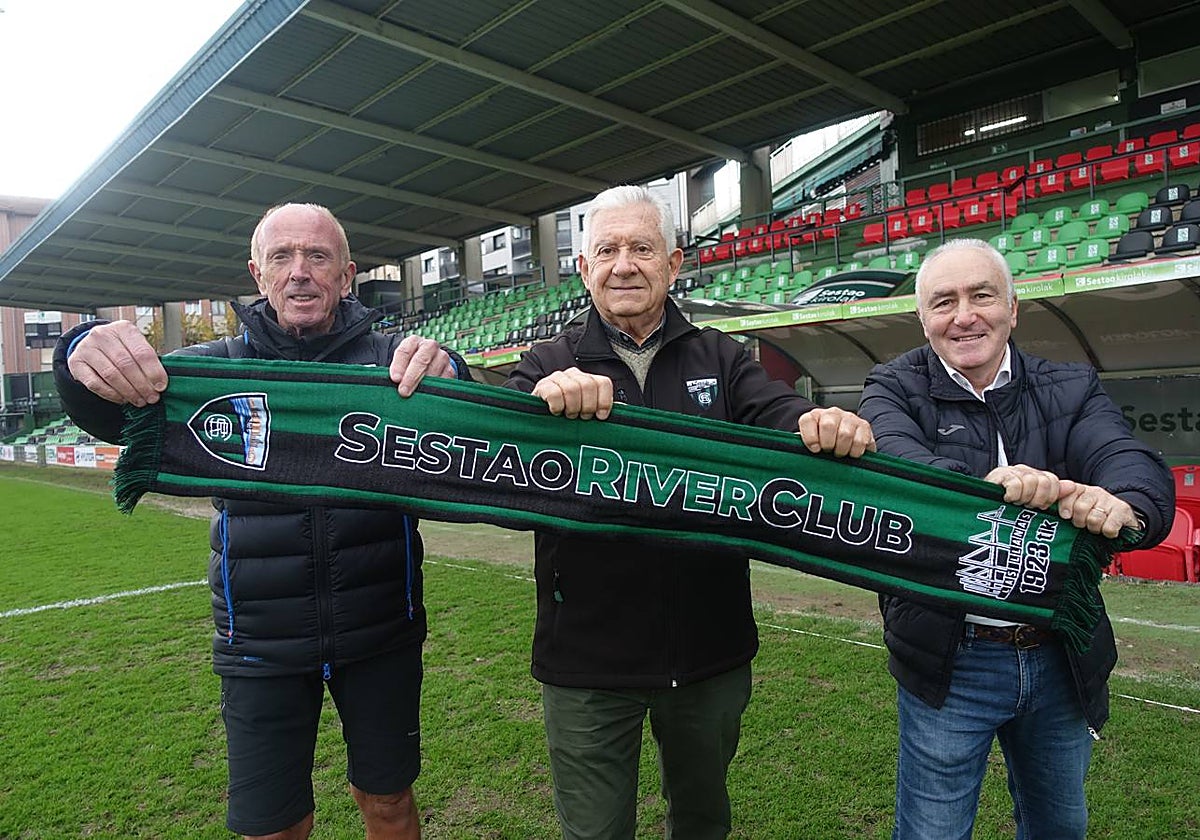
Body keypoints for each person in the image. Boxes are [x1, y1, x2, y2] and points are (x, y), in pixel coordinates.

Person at [53, 203, 472, 840]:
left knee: (386, 803)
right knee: (273, 828)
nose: (300, 272)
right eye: (282, 257)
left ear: (347, 275)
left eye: (318, 257)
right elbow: (111, 411)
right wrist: (80, 349)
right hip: (258, 645)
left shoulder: (395, 366)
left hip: (380, 633)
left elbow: (473, 430)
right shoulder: (212, 370)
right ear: (257, 273)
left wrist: (453, 372)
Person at [504, 184, 876, 839]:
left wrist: (823, 421)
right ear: (584, 268)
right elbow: (496, 460)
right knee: (594, 834)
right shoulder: (546, 362)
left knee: (703, 824)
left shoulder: (722, 357)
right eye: (608, 250)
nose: (625, 264)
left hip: (709, 655)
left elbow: (784, 421)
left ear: (674, 264)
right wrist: (541, 402)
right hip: (587, 664)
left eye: (642, 248)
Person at [858, 238, 1174, 840]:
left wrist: (1124, 503)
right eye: (944, 302)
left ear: (1013, 307)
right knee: (933, 831)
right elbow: (908, 479)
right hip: (949, 654)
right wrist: (990, 490)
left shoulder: (1072, 385)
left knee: (1061, 826)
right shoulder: (891, 386)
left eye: (982, 295)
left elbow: (1124, 455)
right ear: (923, 318)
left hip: (1061, 655)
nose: (964, 315)